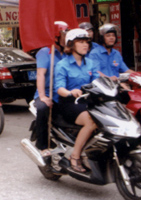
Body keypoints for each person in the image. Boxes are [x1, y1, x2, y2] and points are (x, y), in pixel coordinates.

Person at [54, 28, 100, 172]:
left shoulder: (91, 64)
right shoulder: (62, 65)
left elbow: (98, 82)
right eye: (80, 42)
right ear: (71, 44)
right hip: (69, 103)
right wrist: (70, 92)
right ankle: (75, 156)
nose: (85, 45)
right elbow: (59, 88)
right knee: (91, 121)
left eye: (86, 42)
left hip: (88, 101)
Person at [33, 21, 68, 154]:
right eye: (64, 35)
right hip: (47, 93)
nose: (67, 38)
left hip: (63, 93)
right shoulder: (45, 52)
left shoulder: (67, 53)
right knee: (43, 108)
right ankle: (42, 146)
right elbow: (40, 74)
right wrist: (42, 96)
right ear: (56, 37)